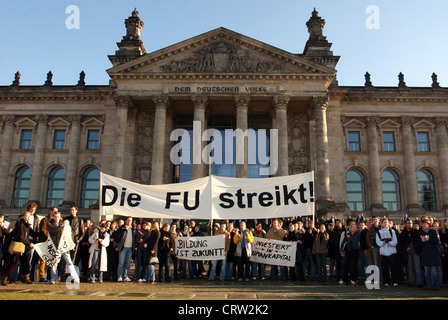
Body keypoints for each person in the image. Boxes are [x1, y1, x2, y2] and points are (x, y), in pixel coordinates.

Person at [0, 211, 42, 285]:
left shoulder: (27, 225)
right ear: (23, 216)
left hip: (22, 246)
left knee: (25, 263)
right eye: (27, 216)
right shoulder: (20, 224)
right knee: (13, 263)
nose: (28, 218)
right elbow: (20, 237)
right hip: (18, 246)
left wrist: (43, 233)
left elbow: (33, 234)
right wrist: (29, 243)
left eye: (29, 217)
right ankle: (4, 277)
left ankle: (25, 277)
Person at [46, 210, 80, 285]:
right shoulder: (50, 225)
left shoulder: (64, 225)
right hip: (55, 246)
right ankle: (53, 278)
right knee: (54, 263)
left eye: (58, 217)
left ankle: (75, 277)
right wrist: (61, 226)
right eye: (55, 217)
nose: (57, 218)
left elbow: (69, 234)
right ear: (53, 217)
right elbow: (53, 231)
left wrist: (70, 242)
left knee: (69, 262)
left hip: (63, 246)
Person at [419, 218, 442, 290]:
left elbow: (436, 242)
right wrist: (423, 240)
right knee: (427, 271)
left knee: (434, 271)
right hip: (425, 254)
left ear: (428, 224)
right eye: (422, 224)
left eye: (425, 224)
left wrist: (428, 238)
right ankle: (428, 285)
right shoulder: (421, 232)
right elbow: (420, 244)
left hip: (433, 253)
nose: (423, 225)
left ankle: (435, 285)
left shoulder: (433, 231)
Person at [398, 219, 422, 287]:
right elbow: (401, 243)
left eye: (410, 223)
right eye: (408, 223)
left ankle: (419, 282)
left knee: (417, 267)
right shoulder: (403, 233)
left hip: (415, 252)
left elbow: (418, 242)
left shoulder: (416, 232)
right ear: (405, 224)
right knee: (410, 267)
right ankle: (411, 281)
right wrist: (406, 248)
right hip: (407, 253)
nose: (409, 225)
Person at [376, 218, 399, 287]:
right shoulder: (379, 232)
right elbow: (377, 241)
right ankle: (387, 281)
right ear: (382, 224)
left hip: (391, 251)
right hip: (383, 251)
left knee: (393, 267)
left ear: (388, 223)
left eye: (386, 222)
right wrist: (382, 243)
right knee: (385, 267)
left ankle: (394, 281)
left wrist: (390, 243)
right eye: (384, 222)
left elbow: (395, 240)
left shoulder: (392, 231)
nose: (385, 223)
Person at [115, 216, 135, 282]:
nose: (129, 221)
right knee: (121, 263)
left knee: (127, 263)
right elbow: (117, 237)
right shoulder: (122, 228)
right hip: (123, 248)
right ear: (126, 221)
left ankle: (126, 276)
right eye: (128, 220)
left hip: (130, 248)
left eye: (131, 220)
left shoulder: (133, 229)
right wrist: (117, 246)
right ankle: (120, 276)